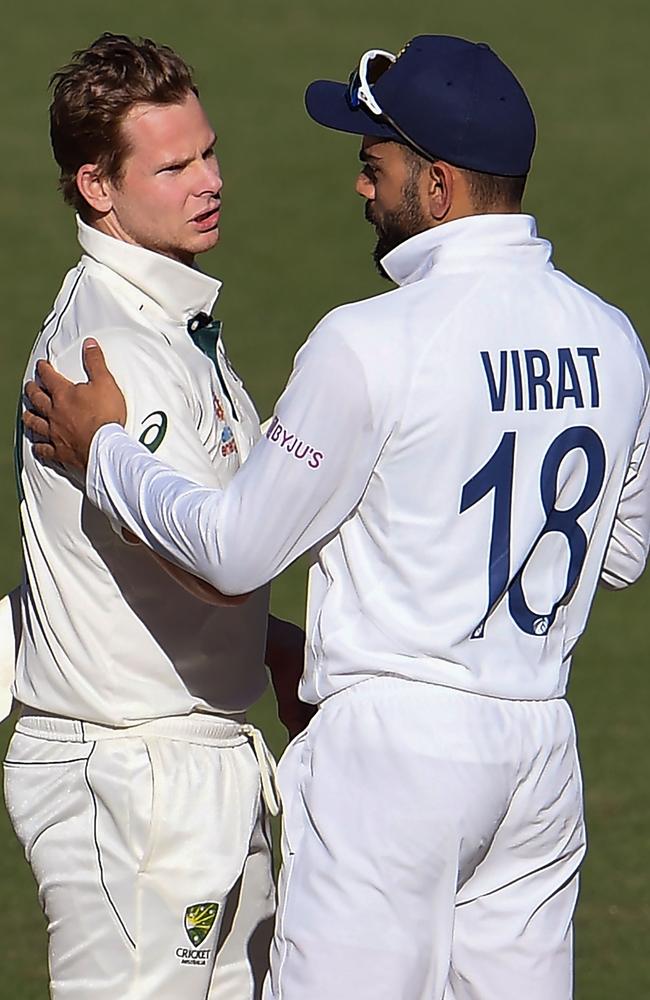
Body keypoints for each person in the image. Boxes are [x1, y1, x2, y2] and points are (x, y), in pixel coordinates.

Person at [23, 34, 650, 1000]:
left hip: (392, 759)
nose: (364, 189)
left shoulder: (370, 340)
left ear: (437, 186)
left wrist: (104, 451)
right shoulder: (612, 338)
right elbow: (620, 550)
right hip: (538, 755)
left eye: (377, 165)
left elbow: (235, 551)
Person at [7, 32, 310, 1000]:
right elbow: (207, 556)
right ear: (98, 186)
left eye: (208, 151)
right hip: (134, 774)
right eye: (174, 166)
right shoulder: (111, 350)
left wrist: (266, 639)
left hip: (195, 757)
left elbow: (182, 543)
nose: (209, 180)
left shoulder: (173, 322)